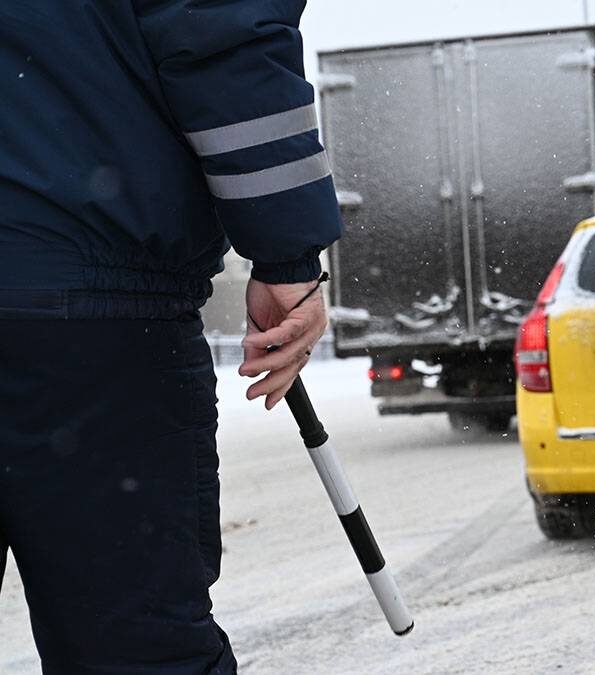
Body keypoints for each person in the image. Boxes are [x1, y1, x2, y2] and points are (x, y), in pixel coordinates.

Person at [0, 2, 340, 672]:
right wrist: (287, 256)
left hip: (86, 297)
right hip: (93, 313)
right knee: (136, 648)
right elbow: (223, 35)